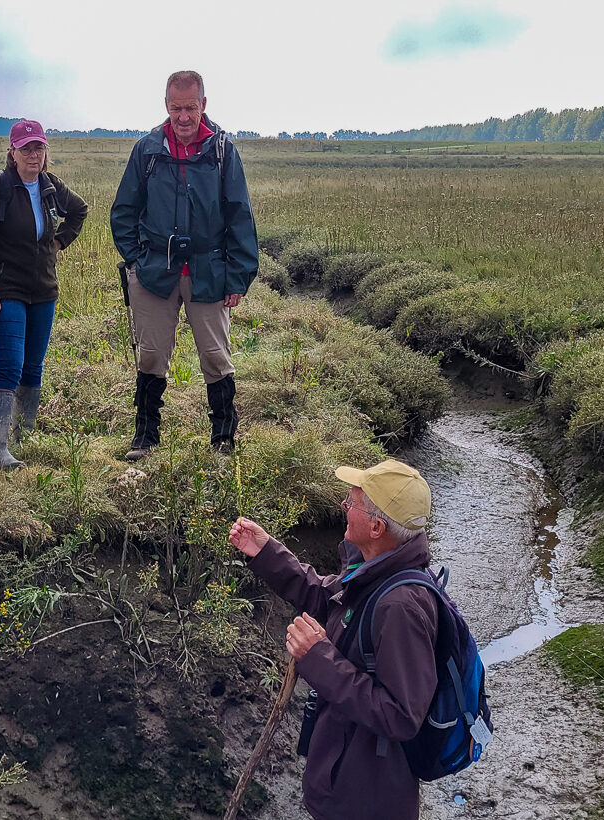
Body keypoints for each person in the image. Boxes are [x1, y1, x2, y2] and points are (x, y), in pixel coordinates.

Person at [228, 459, 438, 820]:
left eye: (351, 503)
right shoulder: (376, 571)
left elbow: (401, 717)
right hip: (347, 783)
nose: (344, 507)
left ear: (376, 526)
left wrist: (318, 659)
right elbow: (326, 597)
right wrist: (265, 552)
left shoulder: (401, 606)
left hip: (367, 801)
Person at [110, 70, 258, 461]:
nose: (183, 117)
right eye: (176, 108)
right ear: (166, 106)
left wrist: (238, 277)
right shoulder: (147, 151)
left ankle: (223, 440)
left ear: (203, 105)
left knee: (215, 355)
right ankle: (145, 438)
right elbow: (123, 212)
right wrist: (136, 261)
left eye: (190, 107)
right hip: (155, 271)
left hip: (209, 271)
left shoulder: (222, 151)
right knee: (152, 354)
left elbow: (240, 215)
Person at [0, 120, 88, 469]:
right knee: (11, 365)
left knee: (34, 366)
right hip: (6, 292)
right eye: (26, 148)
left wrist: (60, 240)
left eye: (38, 148)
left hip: (44, 291)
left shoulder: (50, 186)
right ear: (12, 153)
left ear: (46, 152)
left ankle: (25, 436)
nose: (33, 154)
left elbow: (79, 210)